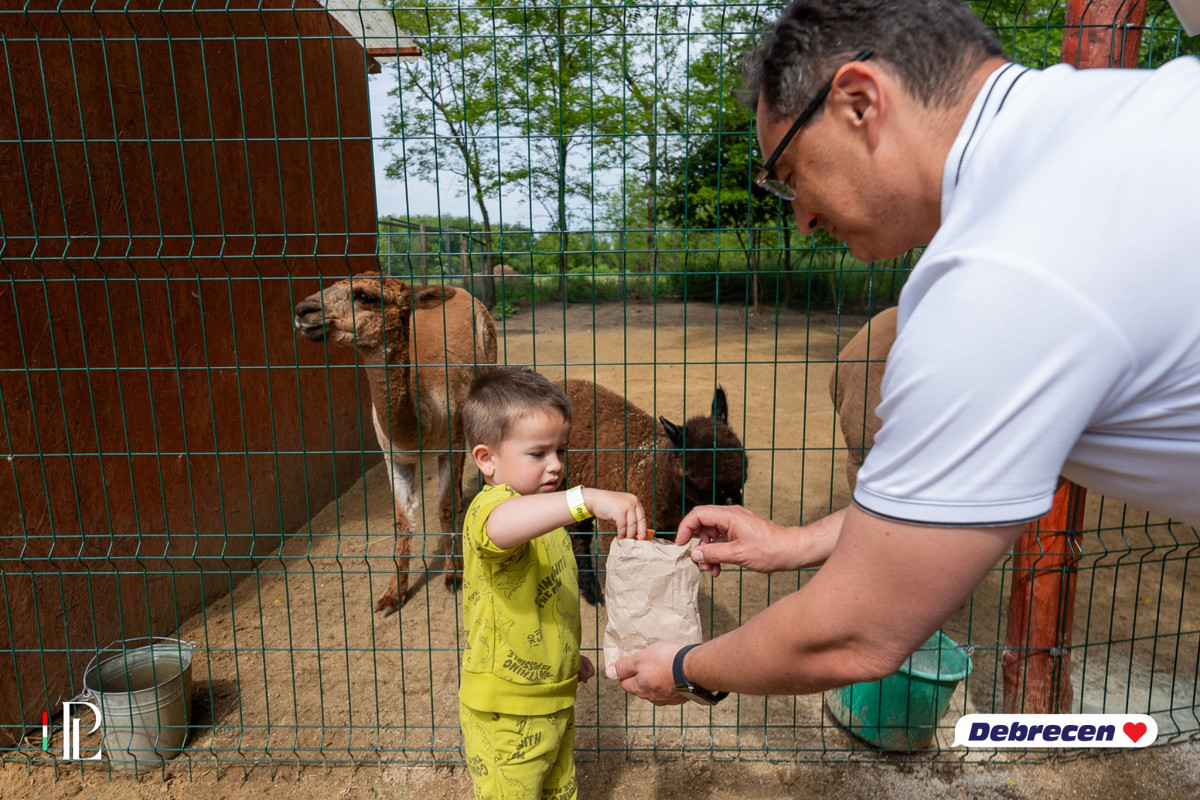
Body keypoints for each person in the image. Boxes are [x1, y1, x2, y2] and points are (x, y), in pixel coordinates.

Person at [605, 0, 1200, 705]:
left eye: (789, 172)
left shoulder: (995, 276)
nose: (799, 214)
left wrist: (685, 667)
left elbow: (855, 633)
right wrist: (793, 543)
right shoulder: (1126, 110)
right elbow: (934, 506)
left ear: (859, 102)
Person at [458, 366, 647, 797]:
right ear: (487, 459)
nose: (557, 466)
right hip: (505, 715)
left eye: (560, 450)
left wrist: (564, 656)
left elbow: (545, 600)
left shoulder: (544, 517)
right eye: (537, 453)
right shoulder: (490, 511)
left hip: (553, 699)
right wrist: (588, 498)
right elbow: (504, 524)